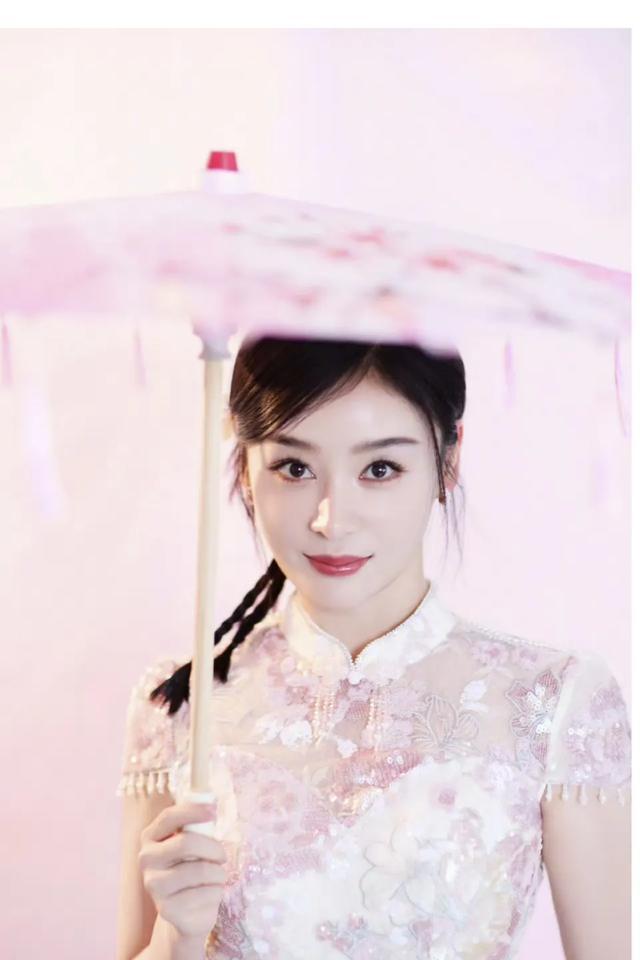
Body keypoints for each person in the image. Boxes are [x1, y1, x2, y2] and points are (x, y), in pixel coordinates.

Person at [115, 335, 631, 960]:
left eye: (380, 469)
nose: (332, 520)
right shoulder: (181, 706)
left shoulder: (554, 701)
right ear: (245, 468)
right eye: (294, 467)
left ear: (448, 460)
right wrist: (175, 939)